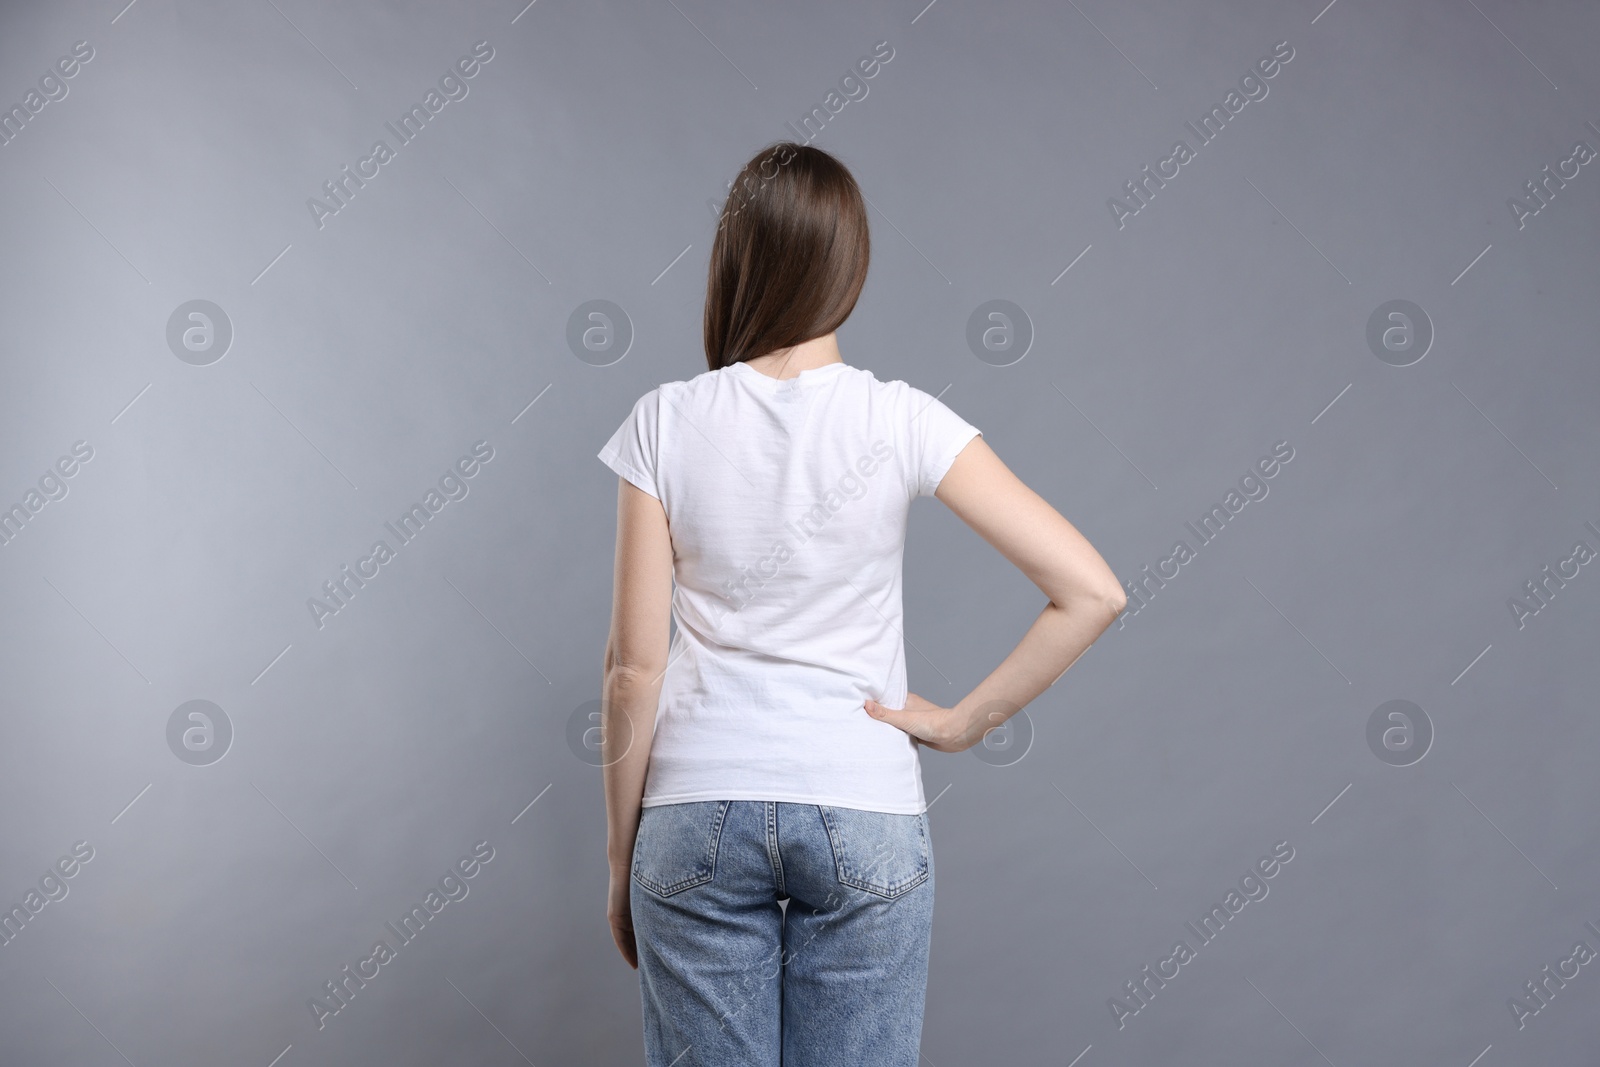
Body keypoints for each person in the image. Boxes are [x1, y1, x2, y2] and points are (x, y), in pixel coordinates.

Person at [596, 141, 1126, 1067]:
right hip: (864, 800)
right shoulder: (903, 418)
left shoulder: (665, 419)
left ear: (733, 263)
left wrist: (619, 858)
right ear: (851, 267)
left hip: (696, 805)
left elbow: (634, 666)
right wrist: (963, 723)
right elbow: (1091, 590)